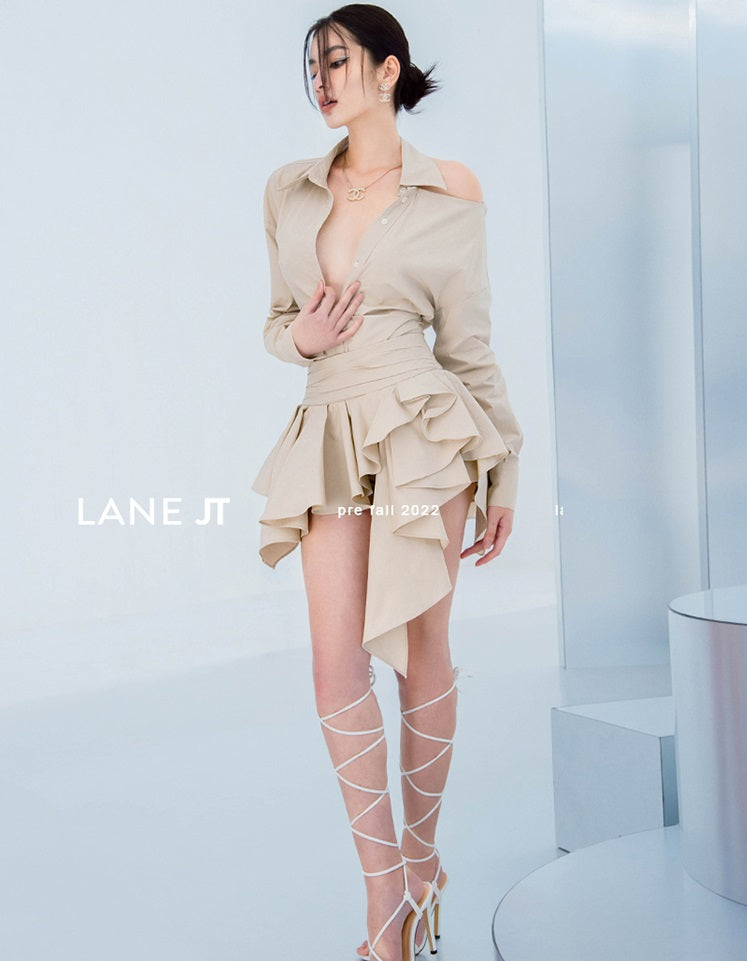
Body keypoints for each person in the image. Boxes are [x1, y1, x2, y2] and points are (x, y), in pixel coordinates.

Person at [251, 5, 524, 959]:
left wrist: (504, 469)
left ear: (387, 69)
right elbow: (277, 320)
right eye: (311, 67)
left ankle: (420, 865)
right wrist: (300, 338)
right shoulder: (289, 191)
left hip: (421, 428)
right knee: (335, 665)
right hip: (330, 425)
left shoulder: (449, 188)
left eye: (336, 62)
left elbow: (470, 343)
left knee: (420, 648)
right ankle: (387, 899)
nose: (320, 80)